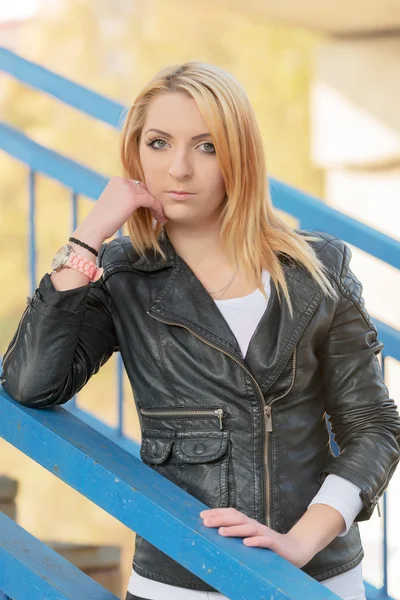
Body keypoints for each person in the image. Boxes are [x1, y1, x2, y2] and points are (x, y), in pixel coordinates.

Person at [1, 61, 399, 600]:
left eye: (206, 146)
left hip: (317, 578)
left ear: (240, 156)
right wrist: (90, 235)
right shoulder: (122, 274)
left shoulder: (318, 268)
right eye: (159, 143)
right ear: (135, 152)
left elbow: (374, 425)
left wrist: (302, 540)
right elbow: (30, 384)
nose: (179, 169)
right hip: (179, 579)